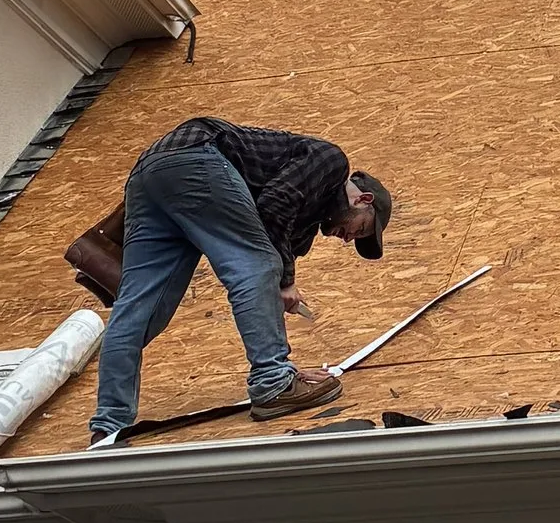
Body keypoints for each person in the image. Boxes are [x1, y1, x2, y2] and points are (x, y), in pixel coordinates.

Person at [86, 119, 395, 443]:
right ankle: (273, 382)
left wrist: (283, 296)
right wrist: (284, 282)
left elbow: (268, 283)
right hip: (197, 155)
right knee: (259, 264)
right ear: (363, 200)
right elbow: (273, 207)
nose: (349, 239)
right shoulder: (331, 162)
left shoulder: (303, 225)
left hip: (150, 173)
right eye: (360, 229)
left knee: (140, 309)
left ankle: (109, 425)